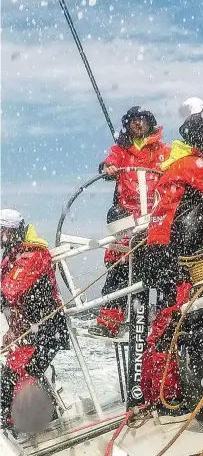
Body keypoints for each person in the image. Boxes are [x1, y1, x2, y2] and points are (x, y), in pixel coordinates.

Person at [89, 106, 170, 338]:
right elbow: (109, 164)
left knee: (163, 271)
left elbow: (175, 164)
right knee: (119, 266)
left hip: (155, 217)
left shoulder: (162, 150)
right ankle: (109, 321)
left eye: (142, 120)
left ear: (149, 122)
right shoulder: (121, 150)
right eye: (134, 120)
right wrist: (108, 168)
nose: (138, 124)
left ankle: (167, 323)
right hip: (129, 217)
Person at [1, 209, 69, 432]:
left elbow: (10, 290)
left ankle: (21, 428)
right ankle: (30, 422)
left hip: (48, 330)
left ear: (10, 231)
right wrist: (13, 331)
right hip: (29, 333)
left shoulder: (33, 254)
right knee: (8, 377)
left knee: (16, 377)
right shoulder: (12, 256)